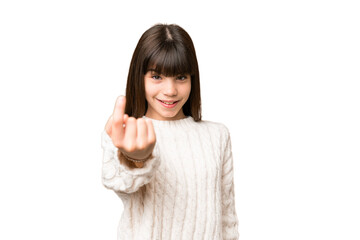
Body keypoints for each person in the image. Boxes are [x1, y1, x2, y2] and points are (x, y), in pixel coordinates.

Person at [101, 23, 239, 240]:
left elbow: (227, 218)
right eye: (157, 76)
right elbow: (118, 181)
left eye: (181, 77)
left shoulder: (217, 136)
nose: (170, 90)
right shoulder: (128, 133)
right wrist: (136, 159)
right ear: (139, 77)